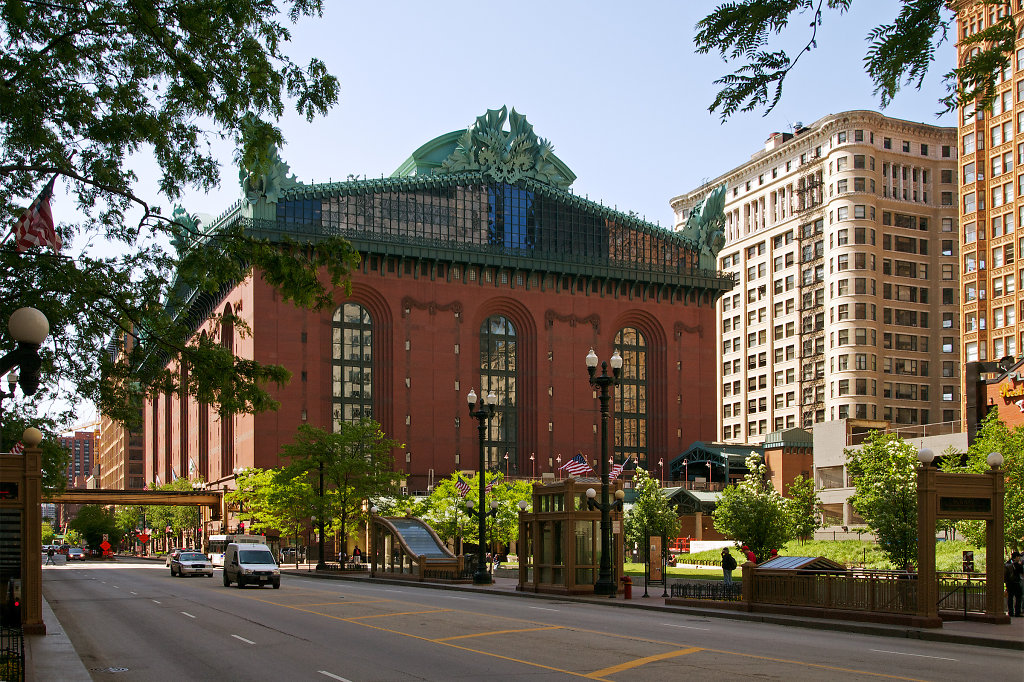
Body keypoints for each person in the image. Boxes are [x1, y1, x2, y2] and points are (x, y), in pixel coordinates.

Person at [1005, 551, 1023, 617]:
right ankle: (1017, 612)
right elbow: (1021, 571)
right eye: (1018, 557)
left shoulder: (1007, 563)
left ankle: (1011, 612)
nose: (1019, 558)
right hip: (1016, 583)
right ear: (1016, 557)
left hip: (1009, 583)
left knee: (1010, 597)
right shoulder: (1017, 564)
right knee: (1018, 597)